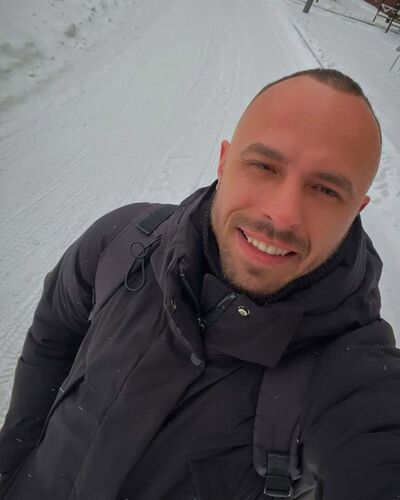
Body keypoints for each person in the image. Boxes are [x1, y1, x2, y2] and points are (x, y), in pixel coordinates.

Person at [0, 68, 399, 500]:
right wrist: (12, 460)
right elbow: (53, 336)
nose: (282, 215)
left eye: (325, 190)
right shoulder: (125, 239)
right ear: (224, 161)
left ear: (357, 209)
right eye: (264, 165)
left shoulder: (350, 369)